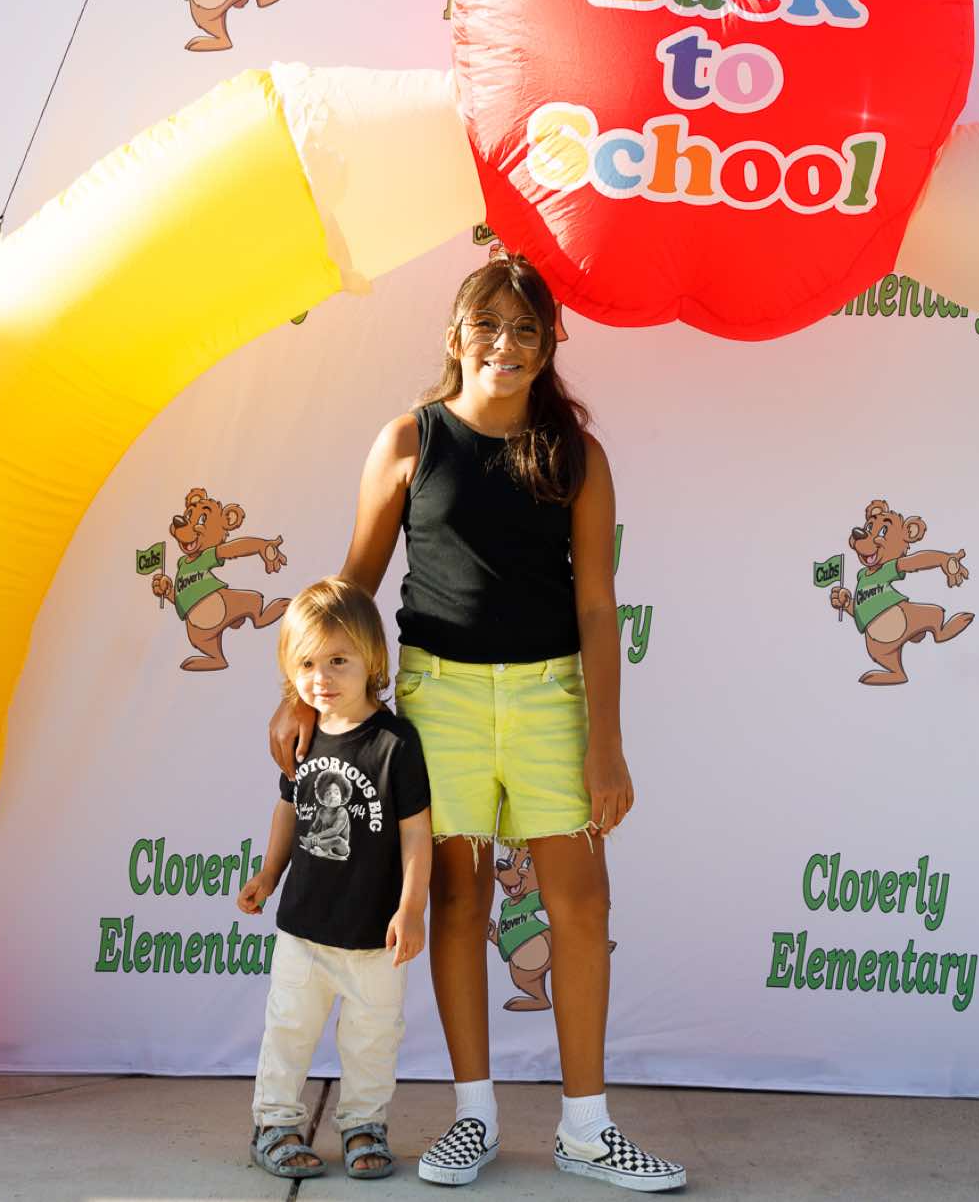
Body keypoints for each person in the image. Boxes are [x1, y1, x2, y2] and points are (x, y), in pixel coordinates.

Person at [269, 254, 686, 1191]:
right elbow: (356, 585)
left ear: (549, 346)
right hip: (439, 701)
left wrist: (606, 741)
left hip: (549, 700)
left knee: (582, 904)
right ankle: (474, 1117)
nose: (507, 344)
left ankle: (587, 1128)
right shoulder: (409, 441)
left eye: (526, 329)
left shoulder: (577, 454)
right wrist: (300, 693)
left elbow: (596, 606)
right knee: (458, 903)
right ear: (457, 335)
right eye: (489, 325)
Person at [239, 577, 432, 1181]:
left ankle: (363, 1124)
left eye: (338, 661)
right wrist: (269, 873)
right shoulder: (304, 736)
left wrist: (411, 908)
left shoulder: (395, 742)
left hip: (375, 936)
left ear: (371, 659)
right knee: (288, 1030)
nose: (321, 678)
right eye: (306, 664)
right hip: (303, 929)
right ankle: (274, 1124)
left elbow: (416, 834)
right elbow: (288, 808)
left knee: (373, 1038)